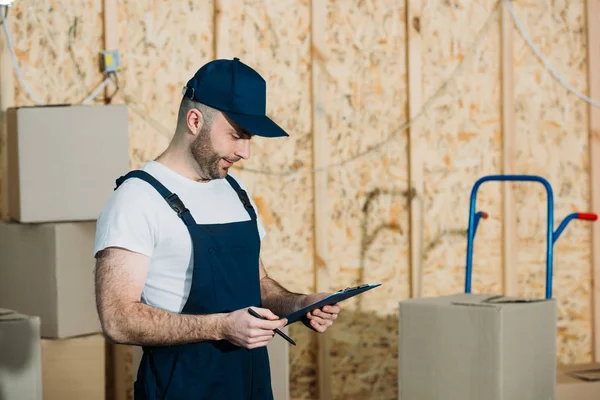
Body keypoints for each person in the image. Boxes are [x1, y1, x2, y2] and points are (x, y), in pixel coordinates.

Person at [93, 57, 341, 400]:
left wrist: (301, 303)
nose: (246, 152)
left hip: (251, 388)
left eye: (249, 138)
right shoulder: (137, 199)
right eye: (237, 136)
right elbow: (117, 318)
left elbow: (258, 286)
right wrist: (221, 327)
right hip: (180, 389)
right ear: (195, 120)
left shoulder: (236, 193)